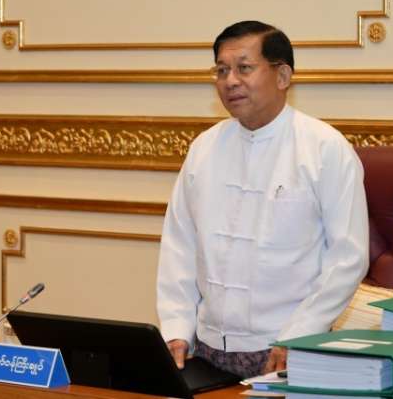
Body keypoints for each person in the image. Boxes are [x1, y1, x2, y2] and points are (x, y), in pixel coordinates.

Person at [157, 21, 368, 378]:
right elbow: (180, 246)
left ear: (282, 76)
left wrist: (298, 337)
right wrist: (176, 329)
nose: (230, 81)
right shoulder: (204, 148)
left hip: (286, 351)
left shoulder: (325, 149)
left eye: (244, 68)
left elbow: (347, 259)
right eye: (221, 70)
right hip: (207, 350)